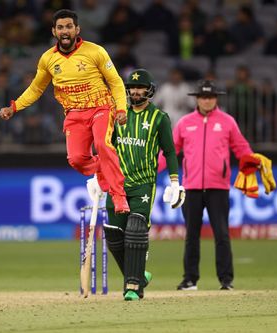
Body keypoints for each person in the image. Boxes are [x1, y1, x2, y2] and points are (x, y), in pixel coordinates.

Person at [0, 9, 129, 213]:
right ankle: (104, 169)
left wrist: (121, 108)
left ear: (77, 29)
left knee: (102, 145)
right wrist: (14, 107)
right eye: (60, 27)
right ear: (54, 31)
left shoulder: (95, 51)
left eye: (69, 26)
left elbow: (116, 82)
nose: (65, 31)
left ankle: (119, 196)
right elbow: (36, 88)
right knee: (76, 160)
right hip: (74, 114)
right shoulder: (47, 59)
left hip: (100, 108)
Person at [87, 68, 185, 301]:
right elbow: (103, 148)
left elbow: (170, 152)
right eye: (131, 88)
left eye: (140, 88)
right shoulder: (115, 115)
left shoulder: (159, 118)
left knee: (136, 230)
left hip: (143, 183)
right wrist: (96, 176)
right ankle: (140, 275)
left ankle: (132, 286)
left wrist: (174, 182)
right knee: (114, 236)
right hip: (116, 184)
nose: (136, 91)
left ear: (150, 91)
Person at [166, 80, 254, 291]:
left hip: (218, 187)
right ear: (197, 98)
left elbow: (241, 147)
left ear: (216, 98)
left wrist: (252, 166)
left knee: (222, 234)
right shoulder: (185, 123)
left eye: (211, 97)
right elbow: (171, 151)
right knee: (191, 235)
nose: (207, 100)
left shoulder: (227, 122)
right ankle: (190, 279)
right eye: (203, 97)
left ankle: (226, 280)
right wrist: (153, 167)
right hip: (192, 187)